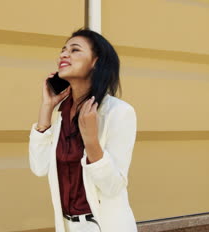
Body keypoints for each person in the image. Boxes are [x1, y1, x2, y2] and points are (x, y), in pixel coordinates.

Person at [28, 28, 138, 232]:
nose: (63, 54)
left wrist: (91, 142)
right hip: (67, 226)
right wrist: (47, 108)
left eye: (75, 50)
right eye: (63, 50)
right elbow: (39, 167)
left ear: (95, 62)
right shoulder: (60, 114)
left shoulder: (118, 112)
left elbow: (113, 187)